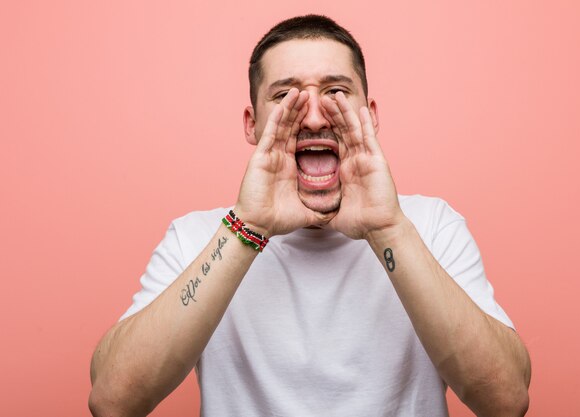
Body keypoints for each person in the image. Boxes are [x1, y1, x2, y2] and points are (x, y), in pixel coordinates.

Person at [89, 14, 531, 417]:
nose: (315, 117)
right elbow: (113, 400)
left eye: (336, 92)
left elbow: (506, 400)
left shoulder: (431, 226)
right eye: (285, 96)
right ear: (251, 123)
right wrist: (250, 228)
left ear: (370, 116)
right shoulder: (197, 237)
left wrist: (387, 228)